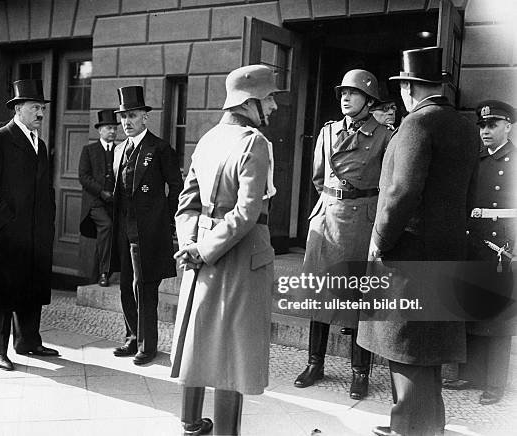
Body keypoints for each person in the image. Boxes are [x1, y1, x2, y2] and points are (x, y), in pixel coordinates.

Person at [357, 47, 479, 436]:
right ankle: (421, 426)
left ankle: (409, 429)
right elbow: (469, 194)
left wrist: (379, 239)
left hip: (409, 259)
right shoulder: (463, 125)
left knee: (406, 353)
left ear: (409, 86)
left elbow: (400, 192)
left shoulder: (417, 124)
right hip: (446, 253)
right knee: (427, 357)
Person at [170, 64, 280, 436]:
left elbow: (186, 204)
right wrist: (203, 250)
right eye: (269, 99)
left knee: (199, 335)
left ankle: (190, 423)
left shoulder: (207, 139)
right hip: (240, 255)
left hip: (201, 248)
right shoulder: (255, 142)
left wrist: (191, 245)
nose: (274, 107)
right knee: (233, 345)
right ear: (250, 103)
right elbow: (248, 212)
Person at [294, 69, 391, 400]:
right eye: (342, 93)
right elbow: (318, 178)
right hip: (326, 218)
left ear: (369, 100)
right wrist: (334, 200)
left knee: (356, 298)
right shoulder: (328, 131)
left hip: (360, 221)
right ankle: (314, 363)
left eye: (353, 93)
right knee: (318, 292)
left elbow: (387, 183)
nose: (345, 98)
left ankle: (359, 372)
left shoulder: (383, 135)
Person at [0, 79, 59, 371]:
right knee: (1, 294)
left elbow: (44, 189)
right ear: (18, 109)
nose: (40, 113)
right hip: (6, 234)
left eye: (42, 108)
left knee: (31, 288)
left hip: (35, 235)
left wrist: (47, 223)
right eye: (35, 108)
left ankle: (28, 342)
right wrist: (5, 221)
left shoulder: (39, 144)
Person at [443, 100, 516, 405]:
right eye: (483, 126)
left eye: (492, 125)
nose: (485, 131)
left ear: (508, 127)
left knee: (499, 317)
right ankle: (469, 374)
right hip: (476, 243)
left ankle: (496, 382)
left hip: (505, 245)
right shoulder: (478, 161)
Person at [109, 86, 183, 365]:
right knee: (126, 285)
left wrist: (166, 221)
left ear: (145, 118)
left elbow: (177, 188)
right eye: (123, 116)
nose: (127, 122)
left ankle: (147, 345)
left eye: (132, 115)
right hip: (123, 229)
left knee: (145, 286)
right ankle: (131, 338)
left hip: (149, 230)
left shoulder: (160, 148)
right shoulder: (119, 150)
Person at [78, 109, 120, 287]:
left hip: (115, 202)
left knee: (114, 233)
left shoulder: (120, 150)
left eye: (114, 128)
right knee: (107, 226)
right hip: (95, 203)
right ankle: (104, 273)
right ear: (100, 130)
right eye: (109, 128)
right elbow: (83, 176)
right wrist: (101, 192)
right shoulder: (89, 150)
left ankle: (105, 273)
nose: (112, 131)